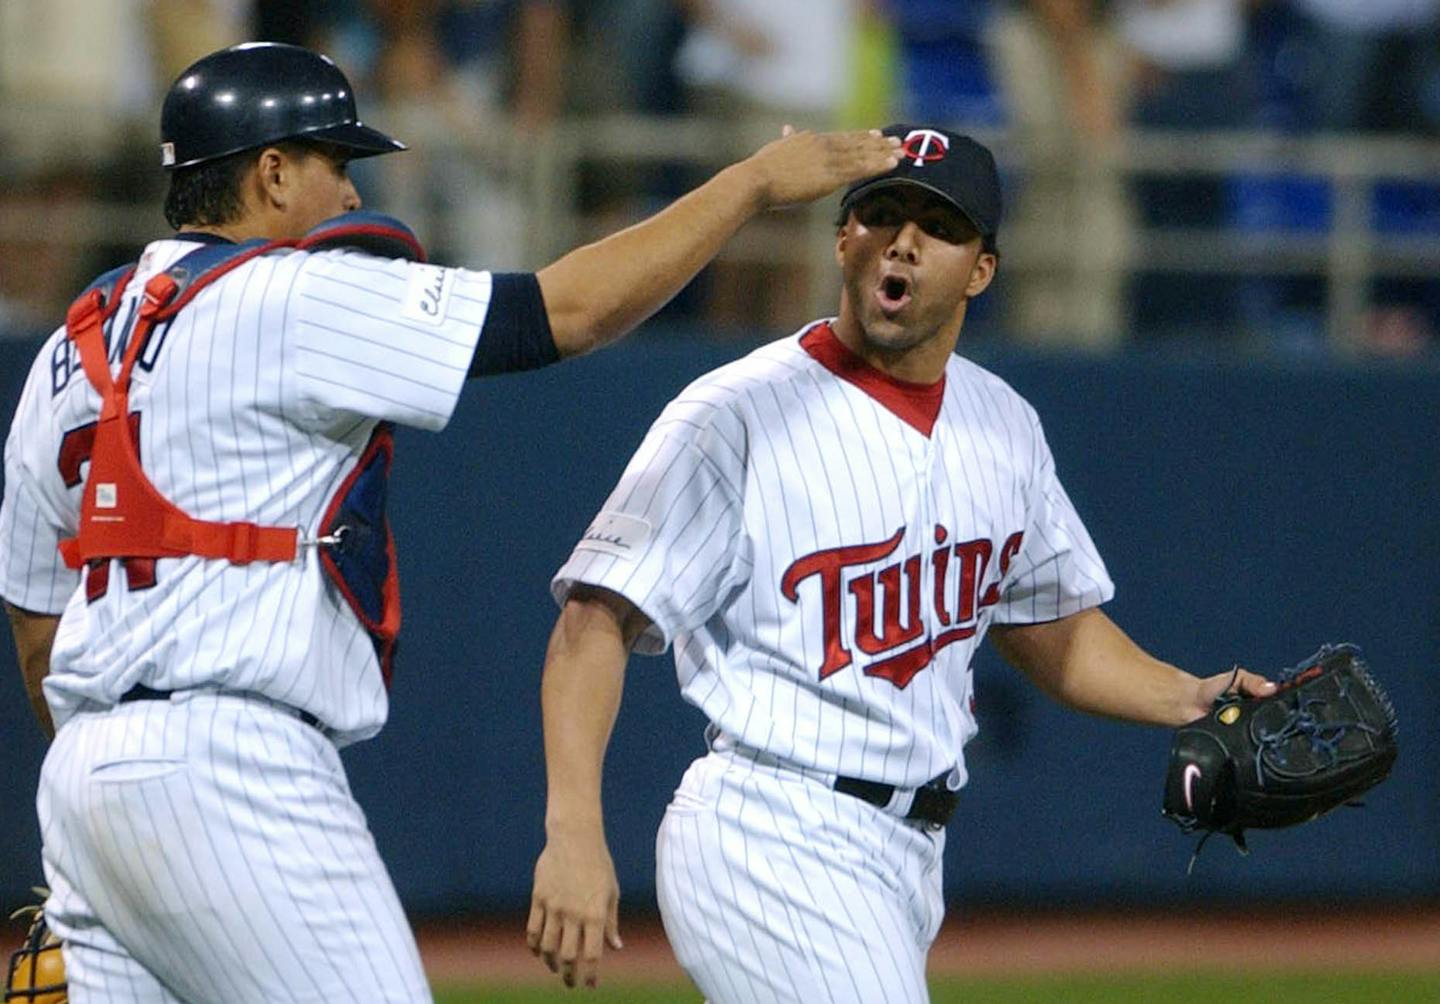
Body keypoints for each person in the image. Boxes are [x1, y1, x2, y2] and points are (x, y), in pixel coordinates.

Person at [0, 41, 899, 1003]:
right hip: (230, 770)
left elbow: (36, 622)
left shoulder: (73, 345)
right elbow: (571, 309)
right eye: (332, 164)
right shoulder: (292, 295)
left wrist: (118, 784)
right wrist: (752, 183)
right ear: (270, 174)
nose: (348, 196)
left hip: (83, 782)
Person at [525, 123, 1277, 1000]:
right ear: (844, 237)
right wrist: (573, 828)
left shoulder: (1004, 425)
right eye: (882, 213)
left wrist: (1188, 694)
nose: (905, 242)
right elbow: (594, 620)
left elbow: (1051, 627)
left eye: (939, 225)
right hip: (770, 828)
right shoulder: (734, 414)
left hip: (908, 856)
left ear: (982, 270)